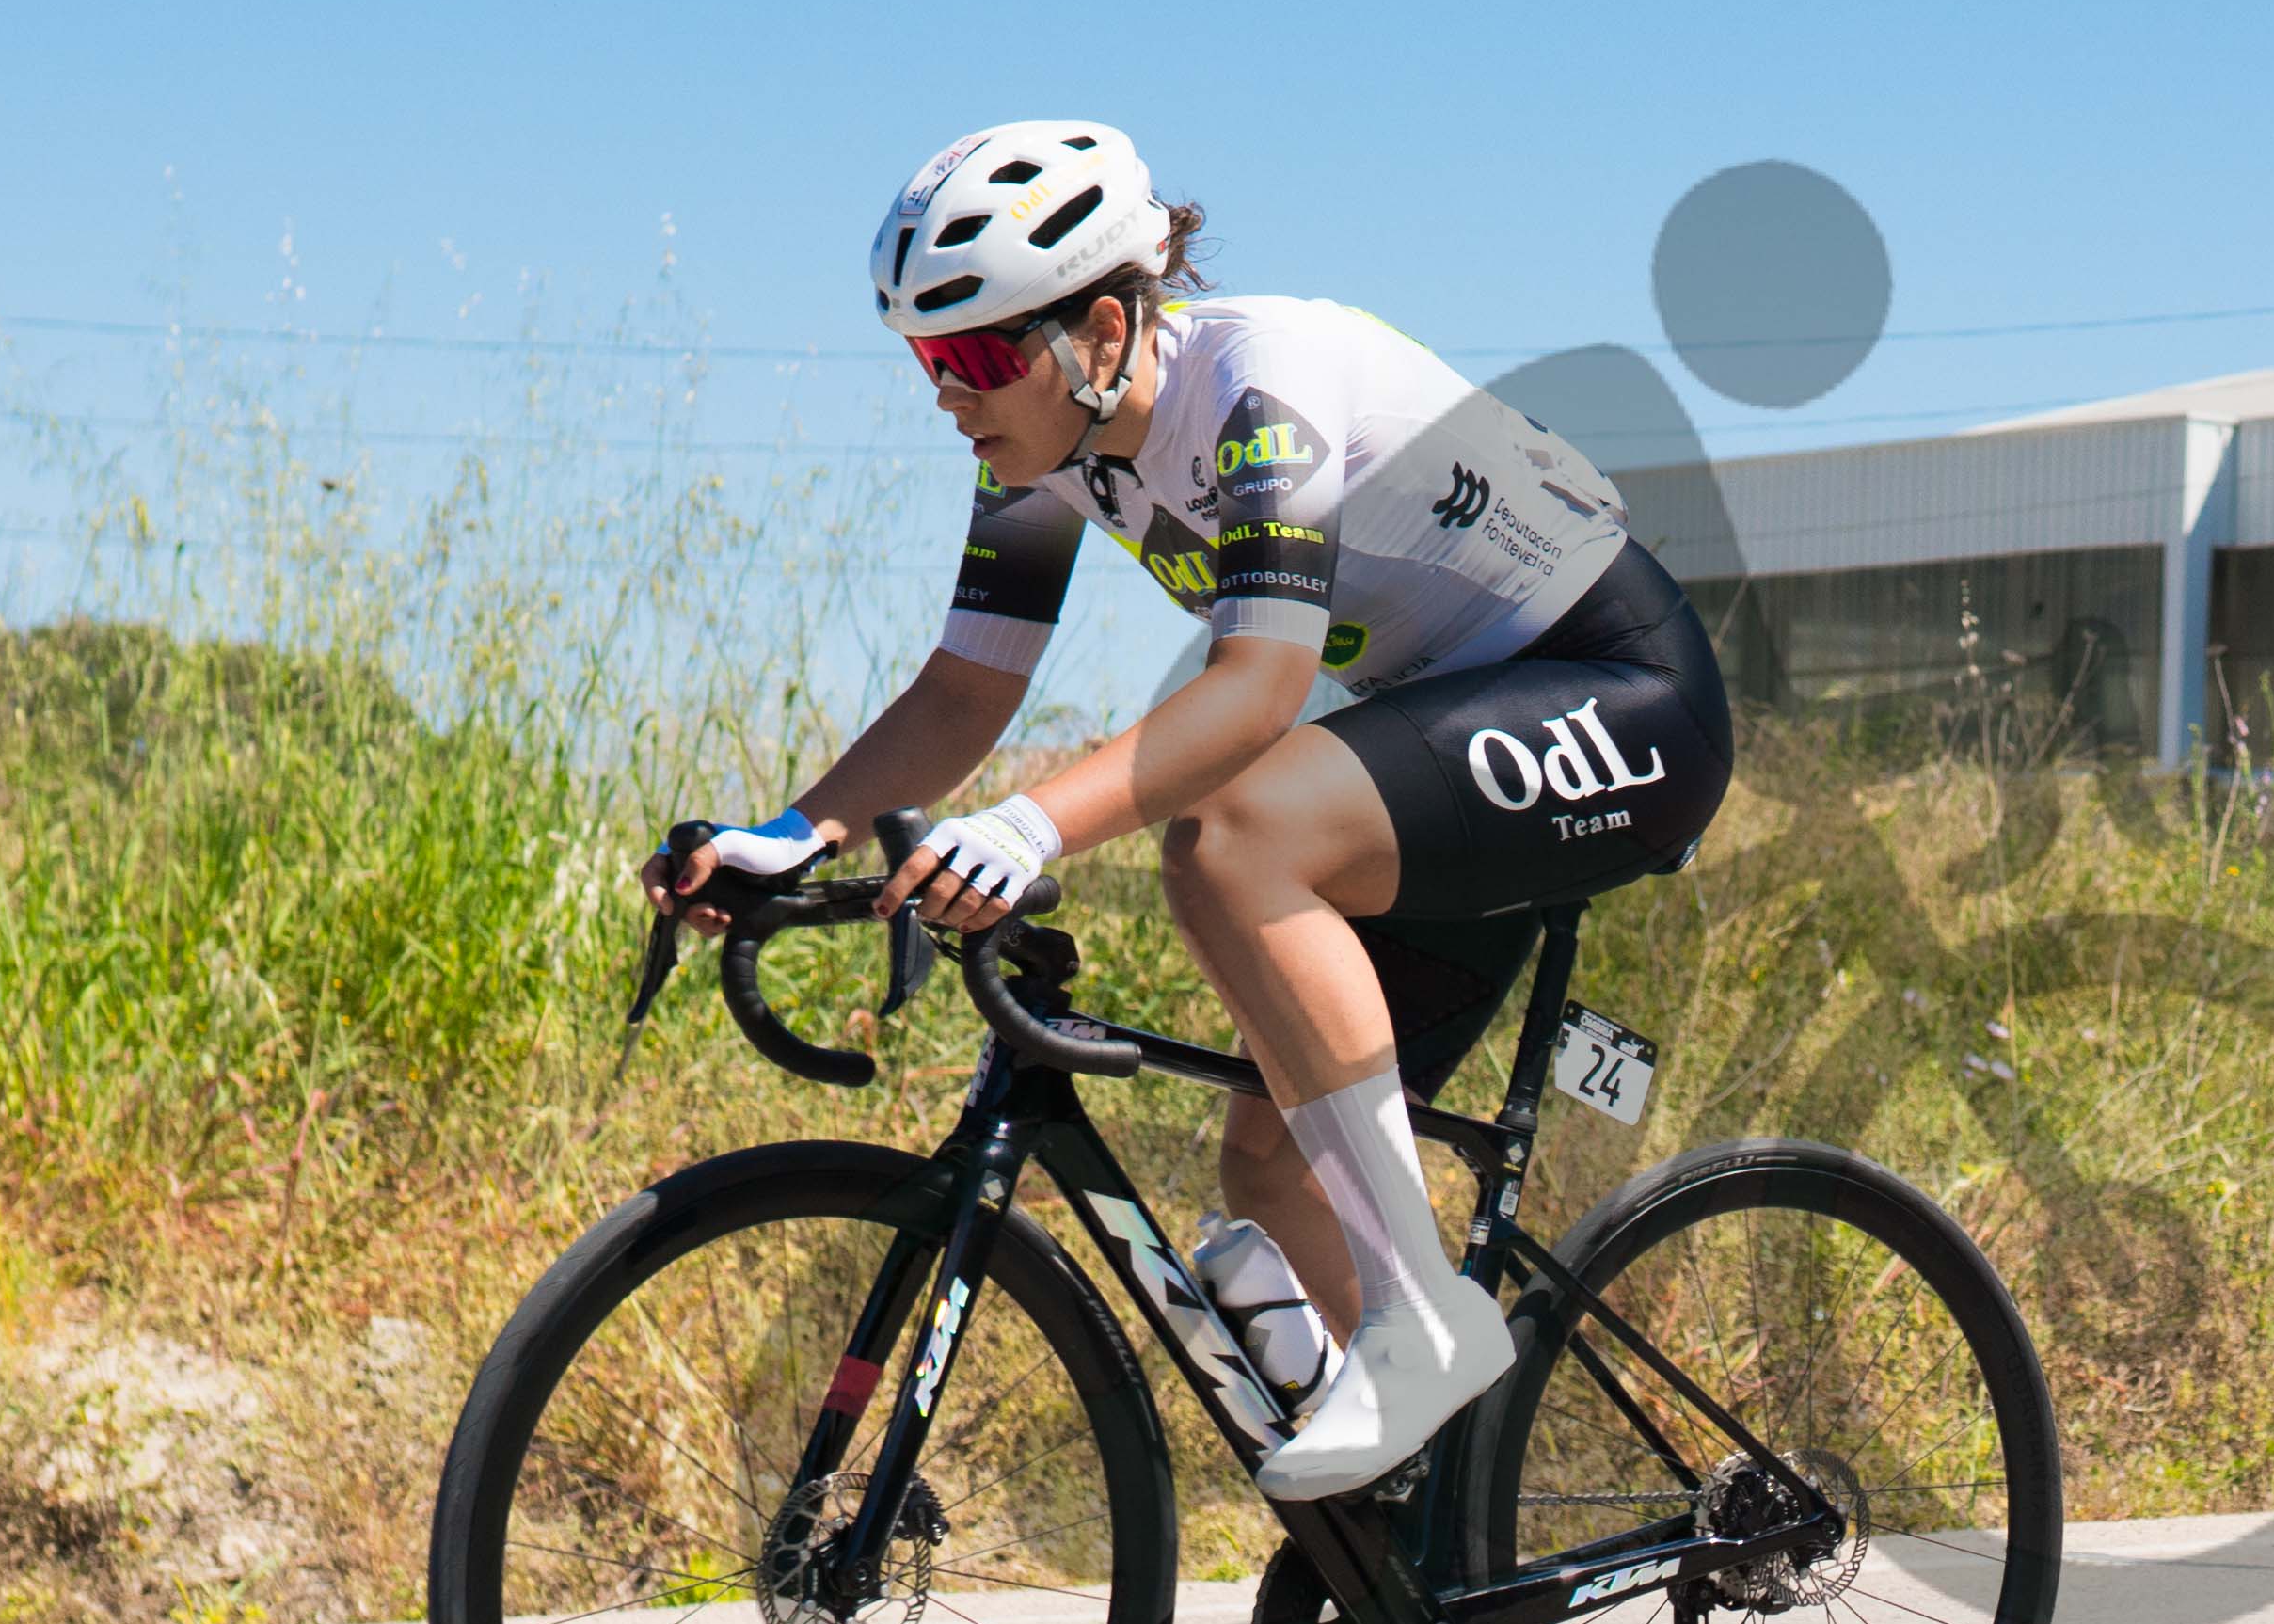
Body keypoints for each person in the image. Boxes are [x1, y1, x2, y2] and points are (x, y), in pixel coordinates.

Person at [653, 121, 1733, 1547]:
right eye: (927, 362)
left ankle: (1423, 1320)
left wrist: (1032, 828)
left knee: (1231, 836)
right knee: (1272, 1168)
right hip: (1448, 725)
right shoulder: (1040, 454)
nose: (945, 397)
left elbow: (1258, 693)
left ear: (1102, 326)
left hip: (1623, 691)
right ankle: (1433, 1584)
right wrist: (796, 835)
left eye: (973, 358)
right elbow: (967, 686)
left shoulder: (1257, 388)